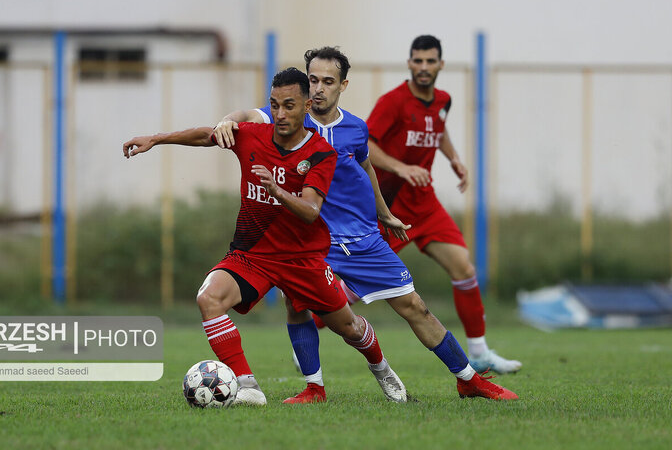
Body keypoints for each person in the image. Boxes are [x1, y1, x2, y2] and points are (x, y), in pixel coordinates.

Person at [214, 47, 518, 403]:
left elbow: (367, 168)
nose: (318, 89)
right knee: (296, 305)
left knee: (414, 307)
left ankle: (468, 379)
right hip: (313, 241)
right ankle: (315, 388)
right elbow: (248, 115)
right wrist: (225, 120)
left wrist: (384, 212)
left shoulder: (357, 129)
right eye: (312, 80)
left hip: (361, 238)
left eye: (328, 81)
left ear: (343, 84)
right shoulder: (288, 117)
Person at [123, 67, 407, 406]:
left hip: (303, 258)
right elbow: (205, 136)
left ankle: (383, 370)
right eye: (274, 105)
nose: (280, 113)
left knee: (349, 328)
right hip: (252, 254)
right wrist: (156, 139)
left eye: (289, 105)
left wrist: (275, 188)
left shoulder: (319, 153)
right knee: (208, 298)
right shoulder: (253, 135)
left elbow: (311, 211)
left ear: (306, 106)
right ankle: (248, 387)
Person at [366, 35, 522, 374]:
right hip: (389, 207)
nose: (423, 67)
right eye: (417, 61)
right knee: (350, 286)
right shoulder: (392, 102)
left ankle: (478, 353)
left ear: (440, 65)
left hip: (424, 203)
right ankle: (308, 323)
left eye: (430, 61)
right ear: (409, 63)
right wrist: (400, 167)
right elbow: (365, 144)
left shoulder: (443, 100)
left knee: (463, 268)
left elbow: (437, 128)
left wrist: (454, 159)